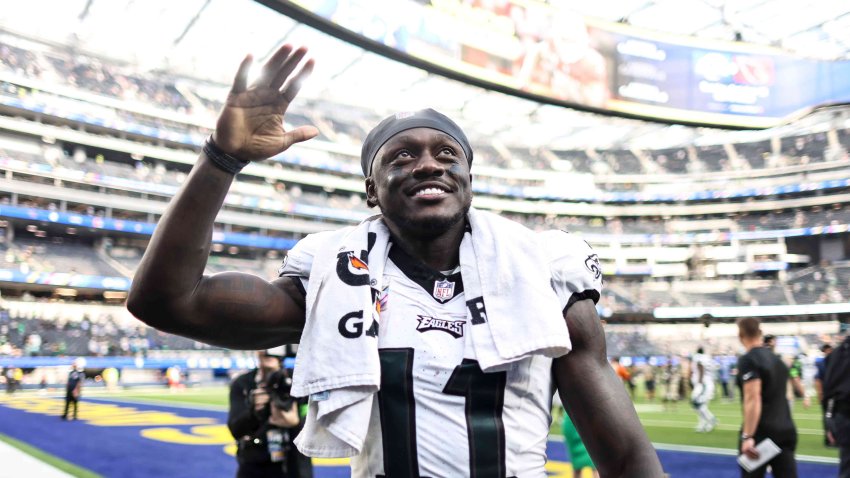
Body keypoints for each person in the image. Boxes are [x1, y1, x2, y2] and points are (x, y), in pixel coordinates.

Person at [127, 44, 663, 477]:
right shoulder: (336, 274)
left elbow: (625, 458)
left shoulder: (542, 271)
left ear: (468, 181)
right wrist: (223, 158)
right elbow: (168, 302)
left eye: (447, 154)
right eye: (402, 156)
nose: (428, 164)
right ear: (371, 191)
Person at [228, 350, 307, 478]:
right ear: (257, 349)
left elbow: (316, 424)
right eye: (266, 346)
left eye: (276, 346)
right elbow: (235, 430)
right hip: (254, 462)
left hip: (294, 462)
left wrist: (296, 423)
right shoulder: (242, 383)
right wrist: (254, 412)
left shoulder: (298, 380)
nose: (270, 350)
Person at [736, 318, 798, 477]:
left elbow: (753, 397)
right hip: (785, 429)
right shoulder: (777, 360)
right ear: (760, 333)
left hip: (762, 433)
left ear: (740, 335)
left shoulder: (749, 360)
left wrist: (748, 436)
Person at [822, 332, 850, 477]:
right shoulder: (837, 354)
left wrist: (829, 422)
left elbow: (828, 391)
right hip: (844, 414)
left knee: (846, 466)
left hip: (843, 416)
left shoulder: (837, 354)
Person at [691, 347, 717, 433]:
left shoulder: (698, 357)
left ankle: (711, 419)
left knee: (696, 403)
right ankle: (703, 424)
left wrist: (700, 383)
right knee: (701, 406)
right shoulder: (708, 358)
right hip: (708, 383)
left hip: (703, 384)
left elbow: (700, 366)